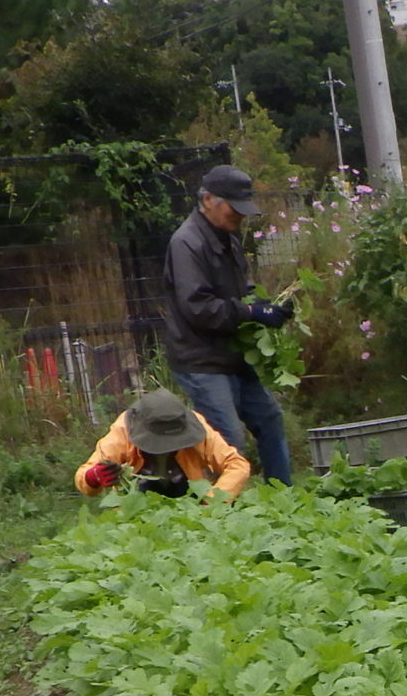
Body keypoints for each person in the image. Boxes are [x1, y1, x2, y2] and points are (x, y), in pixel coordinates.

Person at [164, 163, 296, 484]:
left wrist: (261, 305)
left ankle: (285, 500)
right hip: (201, 359)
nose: (239, 216)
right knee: (228, 440)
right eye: (233, 208)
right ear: (209, 200)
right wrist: (251, 314)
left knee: (270, 419)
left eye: (243, 209)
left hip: (233, 353)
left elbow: (238, 291)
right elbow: (198, 307)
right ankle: (223, 516)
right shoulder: (187, 243)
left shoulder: (229, 238)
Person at [74, 388, 253, 500]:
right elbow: (84, 476)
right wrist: (93, 477)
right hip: (138, 511)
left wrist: (212, 500)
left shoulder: (198, 425)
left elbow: (237, 465)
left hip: (193, 504)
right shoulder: (123, 431)